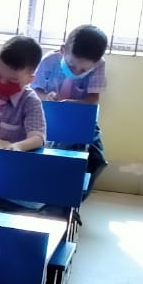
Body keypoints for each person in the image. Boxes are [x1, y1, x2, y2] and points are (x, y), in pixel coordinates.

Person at [32, 24, 110, 185]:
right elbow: (34, 91)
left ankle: (76, 193)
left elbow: (93, 98)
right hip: (49, 116)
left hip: (81, 118)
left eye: (83, 70)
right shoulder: (49, 60)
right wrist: (47, 96)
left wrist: (76, 104)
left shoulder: (99, 66)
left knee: (96, 159)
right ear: (63, 50)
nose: (76, 72)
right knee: (45, 154)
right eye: (71, 65)